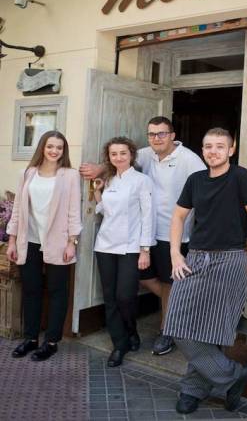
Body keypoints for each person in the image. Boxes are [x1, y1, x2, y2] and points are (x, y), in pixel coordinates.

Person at [163, 127, 247, 415]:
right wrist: (175, 253)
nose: (213, 151)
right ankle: (232, 375)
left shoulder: (242, 177)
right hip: (194, 259)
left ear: (231, 150)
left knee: (212, 329)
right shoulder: (195, 180)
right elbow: (178, 217)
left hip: (229, 259)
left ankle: (192, 389)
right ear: (202, 149)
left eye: (220, 146)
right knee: (178, 326)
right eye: (208, 146)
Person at [80, 116, 205, 356]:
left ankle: (166, 330)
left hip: (173, 232)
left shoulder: (189, 159)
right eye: (152, 134)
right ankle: (183, 306)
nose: (156, 138)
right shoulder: (145, 154)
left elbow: (205, 188)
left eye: (161, 133)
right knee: (146, 280)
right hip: (141, 234)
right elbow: (118, 161)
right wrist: (99, 170)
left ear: (172, 135)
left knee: (170, 283)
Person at [5, 131, 82, 361]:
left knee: (58, 291)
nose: (54, 151)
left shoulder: (69, 175)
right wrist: (11, 240)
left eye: (59, 147)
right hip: (28, 240)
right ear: (42, 147)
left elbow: (73, 211)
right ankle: (30, 339)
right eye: (50, 146)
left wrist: (72, 242)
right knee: (31, 290)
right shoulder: (27, 173)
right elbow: (18, 208)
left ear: (63, 151)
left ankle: (51, 341)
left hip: (58, 241)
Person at [93, 137, 154, 367]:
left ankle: (131, 330)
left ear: (131, 155)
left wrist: (145, 250)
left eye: (123, 153)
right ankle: (120, 344)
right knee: (110, 298)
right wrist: (98, 192)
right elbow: (103, 211)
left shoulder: (142, 181)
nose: (118, 157)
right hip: (105, 246)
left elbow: (148, 217)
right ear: (109, 157)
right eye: (113, 154)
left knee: (125, 296)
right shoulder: (108, 180)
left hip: (130, 247)